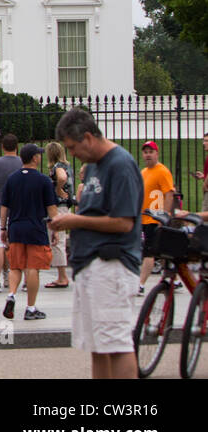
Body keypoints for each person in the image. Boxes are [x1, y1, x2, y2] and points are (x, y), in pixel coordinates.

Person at [48, 108, 143, 380]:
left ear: (88, 137)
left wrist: (74, 222)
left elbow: (124, 222)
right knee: (97, 346)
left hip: (112, 263)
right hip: (90, 264)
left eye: (73, 147)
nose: (73, 154)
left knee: (116, 343)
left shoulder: (120, 164)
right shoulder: (94, 167)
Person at [0, 144, 58, 322]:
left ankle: (11, 294)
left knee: (16, 266)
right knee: (32, 268)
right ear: (34, 158)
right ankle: (30, 308)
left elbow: (5, 206)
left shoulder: (12, 179)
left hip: (16, 227)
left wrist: (3, 228)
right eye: (38, 155)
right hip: (36, 228)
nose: (40, 157)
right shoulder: (43, 180)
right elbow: (51, 208)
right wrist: (55, 229)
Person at [137, 140, 175, 294]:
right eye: (145, 152)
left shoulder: (162, 171)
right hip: (144, 218)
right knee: (161, 250)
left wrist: (164, 217)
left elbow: (169, 193)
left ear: (156, 154)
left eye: (150, 152)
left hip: (155, 218)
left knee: (149, 252)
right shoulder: (144, 172)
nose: (147, 155)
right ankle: (175, 278)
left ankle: (140, 284)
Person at [0, 133, 21, 292]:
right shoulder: (21, 162)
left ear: (2, 146)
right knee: (18, 245)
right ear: (17, 146)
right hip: (18, 208)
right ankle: (23, 280)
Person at [44, 141, 72, 288]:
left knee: (57, 241)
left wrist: (58, 189)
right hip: (65, 207)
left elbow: (61, 178)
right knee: (58, 240)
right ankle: (62, 276)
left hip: (59, 207)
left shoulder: (58, 167)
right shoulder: (67, 166)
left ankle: (62, 277)